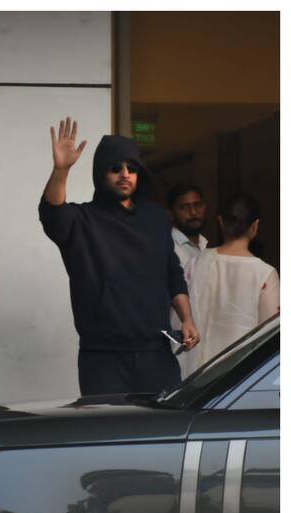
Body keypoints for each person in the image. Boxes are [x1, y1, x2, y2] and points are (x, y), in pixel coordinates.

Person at [38, 117, 200, 396]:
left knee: (163, 434)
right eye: (116, 168)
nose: (125, 173)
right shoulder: (82, 220)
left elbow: (172, 272)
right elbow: (53, 215)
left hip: (156, 353)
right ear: (101, 174)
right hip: (103, 357)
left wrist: (187, 319)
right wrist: (61, 170)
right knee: (106, 436)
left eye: (132, 168)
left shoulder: (156, 218)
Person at [186, 193, 280, 376]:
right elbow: (270, 337)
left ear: (220, 222)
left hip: (191, 378)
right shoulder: (264, 274)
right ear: (255, 226)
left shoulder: (196, 263)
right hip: (235, 381)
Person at [166, 183, 208, 333]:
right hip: (179, 339)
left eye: (198, 205)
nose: (193, 212)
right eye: (184, 207)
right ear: (171, 214)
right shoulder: (167, 248)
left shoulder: (206, 246)